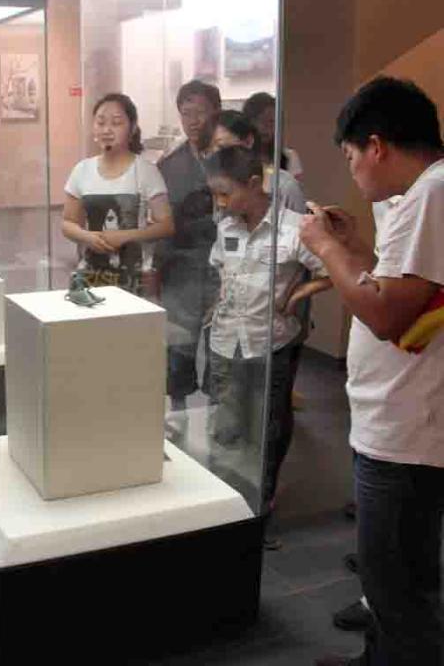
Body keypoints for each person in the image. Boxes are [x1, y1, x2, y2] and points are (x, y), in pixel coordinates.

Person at [303, 78, 444, 666]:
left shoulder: (433, 192)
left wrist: (326, 249)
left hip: (407, 428)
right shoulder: (421, 195)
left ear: (377, 146)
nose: (353, 171)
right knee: (397, 578)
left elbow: (386, 314)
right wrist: (355, 248)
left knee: (396, 587)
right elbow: (393, 285)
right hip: (400, 420)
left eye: (350, 156)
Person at [203, 147, 331, 517]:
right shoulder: (226, 225)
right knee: (226, 424)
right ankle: (224, 501)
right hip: (225, 340)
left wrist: (298, 295)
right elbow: (219, 267)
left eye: (225, 193)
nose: (220, 202)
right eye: (214, 194)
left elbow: (329, 272)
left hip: (270, 342)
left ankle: (261, 503)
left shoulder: (294, 228)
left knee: (267, 426)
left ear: (254, 183)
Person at [156, 80, 222, 439]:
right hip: (181, 267)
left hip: (222, 268)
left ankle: (217, 413)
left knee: (218, 343)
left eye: (200, 112)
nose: (193, 121)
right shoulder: (170, 164)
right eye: (186, 113)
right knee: (179, 343)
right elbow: (162, 223)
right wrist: (157, 268)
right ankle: (178, 409)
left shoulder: (229, 158)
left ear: (216, 112)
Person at [61, 92, 174, 297]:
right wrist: (88, 237)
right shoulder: (82, 170)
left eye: (116, 123)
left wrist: (125, 236)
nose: (107, 130)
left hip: (133, 277)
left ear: (132, 128)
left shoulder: (146, 171)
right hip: (90, 275)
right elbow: (68, 223)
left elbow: (166, 225)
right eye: (100, 122)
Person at [212, 109, 306, 213]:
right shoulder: (213, 184)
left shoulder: (283, 185)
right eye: (209, 151)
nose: (215, 156)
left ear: (248, 141)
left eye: (222, 148)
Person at [242, 91, 304, 181]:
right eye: (259, 120)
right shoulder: (239, 157)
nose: (265, 126)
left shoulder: (289, 157)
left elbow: (296, 187)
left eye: (271, 121)